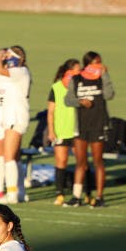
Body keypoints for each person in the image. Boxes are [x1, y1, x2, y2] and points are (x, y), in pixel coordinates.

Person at [64, 51, 115, 208]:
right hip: (82, 126)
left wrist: (105, 75)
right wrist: (81, 101)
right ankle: (76, 196)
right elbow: (68, 100)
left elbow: (109, 94)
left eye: (100, 62)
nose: (98, 65)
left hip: (98, 124)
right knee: (81, 162)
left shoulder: (101, 78)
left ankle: (100, 197)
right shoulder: (77, 79)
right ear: (88, 64)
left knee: (98, 161)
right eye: (95, 62)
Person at [0, 46, 31, 204]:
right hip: (8, 118)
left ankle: (11, 195)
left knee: (9, 157)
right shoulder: (4, 76)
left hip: (16, 118)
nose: (7, 57)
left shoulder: (21, 71)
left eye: (10, 55)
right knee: (15, 158)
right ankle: (20, 192)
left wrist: (0, 57)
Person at [48, 59, 79, 206]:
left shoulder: (80, 86)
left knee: (81, 162)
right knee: (61, 161)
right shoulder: (56, 87)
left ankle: (83, 192)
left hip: (77, 130)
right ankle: (59, 193)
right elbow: (51, 112)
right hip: (61, 130)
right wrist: (51, 131)